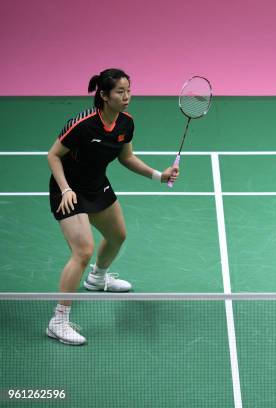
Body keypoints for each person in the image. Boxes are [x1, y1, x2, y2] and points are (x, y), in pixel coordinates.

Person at [46, 68, 178, 345]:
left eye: (129, 90)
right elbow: (54, 155)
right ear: (104, 95)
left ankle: (97, 278)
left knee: (118, 236)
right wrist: (66, 189)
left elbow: (126, 158)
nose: (127, 96)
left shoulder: (125, 123)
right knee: (82, 250)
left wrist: (158, 175)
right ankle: (58, 321)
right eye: (121, 91)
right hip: (67, 190)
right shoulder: (82, 124)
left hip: (96, 185)